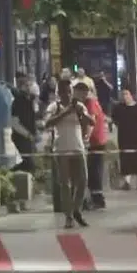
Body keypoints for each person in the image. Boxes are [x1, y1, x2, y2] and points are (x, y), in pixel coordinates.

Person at [44, 82, 92, 228]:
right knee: (65, 184)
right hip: (61, 150)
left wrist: (81, 113)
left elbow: (91, 122)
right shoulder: (54, 107)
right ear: (58, 93)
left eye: (69, 91)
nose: (67, 94)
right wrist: (66, 112)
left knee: (83, 180)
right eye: (63, 92)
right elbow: (48, 123)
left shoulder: (79, 106)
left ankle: (77, 209)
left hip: (78, 148)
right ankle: (68, 216)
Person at [76, 81, 108, 210]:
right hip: (96, 141)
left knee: (94, 170)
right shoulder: (89, 102)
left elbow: (91, 122)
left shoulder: (90, 103)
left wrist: (86, 139)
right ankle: (92, 198)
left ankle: (98, 199)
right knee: (92, 170)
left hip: (96, 142)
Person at [112, 88, 137, 190]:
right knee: (125, 159)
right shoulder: (119, 108)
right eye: (123, 94)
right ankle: (127, 182)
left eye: (126, 94)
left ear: (131, 95)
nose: (125, 96)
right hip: (124, 138)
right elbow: (114, 120)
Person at [11, 73, 38, 173]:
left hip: (30, 136)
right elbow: (14, 123)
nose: (29, 87)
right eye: (26, 85)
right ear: (21, 87)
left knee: (29, 163)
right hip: (21, 137)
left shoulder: (30, 100)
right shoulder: (18, 101)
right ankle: (11, 172)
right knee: (29, 163)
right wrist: (28, 134)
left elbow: (33, 117)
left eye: (30, 85)